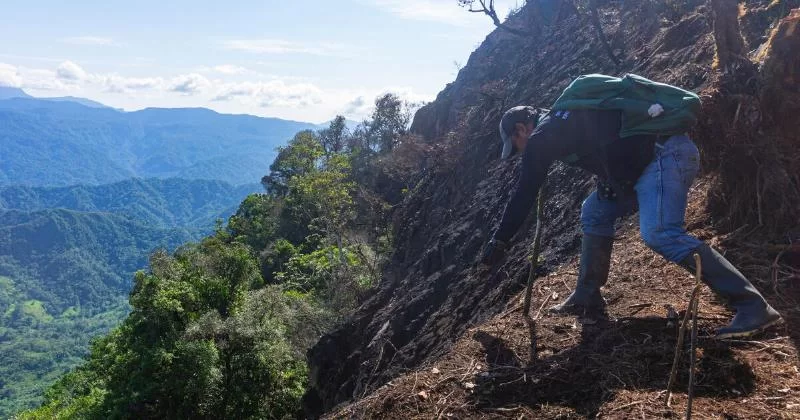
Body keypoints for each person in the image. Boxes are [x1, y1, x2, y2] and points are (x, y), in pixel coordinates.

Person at [480, 74, 782, 339]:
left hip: (666, 157)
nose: (518, 151)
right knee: (595, 210)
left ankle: (751, 305)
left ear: (522, 129)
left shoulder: (543, 136)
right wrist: (613, 180)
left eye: (515, 145)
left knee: (660, 233)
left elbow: (524, 192)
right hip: (660, 156)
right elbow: (612, 141)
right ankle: (587, 294)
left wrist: (500, 240)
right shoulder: (566, 116)